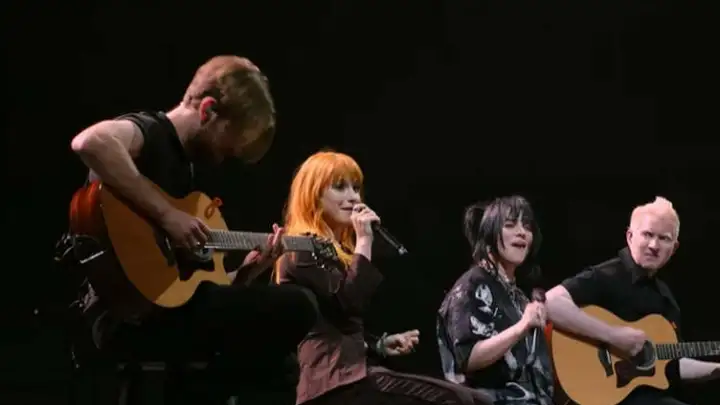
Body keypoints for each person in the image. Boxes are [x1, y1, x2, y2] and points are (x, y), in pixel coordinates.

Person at [64, 55, 317, 404]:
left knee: (281, 362)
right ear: (208, 110)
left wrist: (247, 272)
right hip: (122, 317)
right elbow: (90, 142)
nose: (227, 154)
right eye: (229, 141)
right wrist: (168, 215)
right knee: (298, 307)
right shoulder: (151, 131)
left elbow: (182, 288)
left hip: (161, 312)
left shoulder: (186, 174)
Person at [274, 151, 487, 405]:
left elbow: (336, 321)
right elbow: (349, 302)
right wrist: (364, 240)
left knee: (475, 399)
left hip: (353, 375)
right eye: (340, 187)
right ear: (313, 196)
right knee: (458, 399)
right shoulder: (300, 250)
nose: (353, 197)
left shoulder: (333, 252)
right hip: (332, 383)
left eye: (356, 188)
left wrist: (379, 345)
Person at [546, 196, 720, 405]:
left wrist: (717, 369)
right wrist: (613, 336)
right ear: (630, 237)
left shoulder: (666, 298)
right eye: (647, 234)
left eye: (664, 239)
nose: (654, 245)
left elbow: (674, 365)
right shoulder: (607, 275)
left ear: (674, 248)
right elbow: (550, 302)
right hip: (601, 393)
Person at [436, 196, 555, 405]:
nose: (522, 232)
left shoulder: (519, 296)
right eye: (510, 225)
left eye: (527, 226)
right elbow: (469, 358)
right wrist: (522, 326)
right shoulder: (471, 285)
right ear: (489, 234)